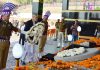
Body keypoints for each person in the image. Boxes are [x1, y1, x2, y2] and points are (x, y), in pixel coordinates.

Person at [0, 3, 22, 70]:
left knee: (5, 57)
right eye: (7, 15)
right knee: (0, 57)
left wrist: (25, 32)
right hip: (0, 42)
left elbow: (16, 29)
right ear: (3, 15)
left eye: (9, 15)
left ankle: (3, 68)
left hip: (7, 42)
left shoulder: (10, 24)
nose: (9, 16)